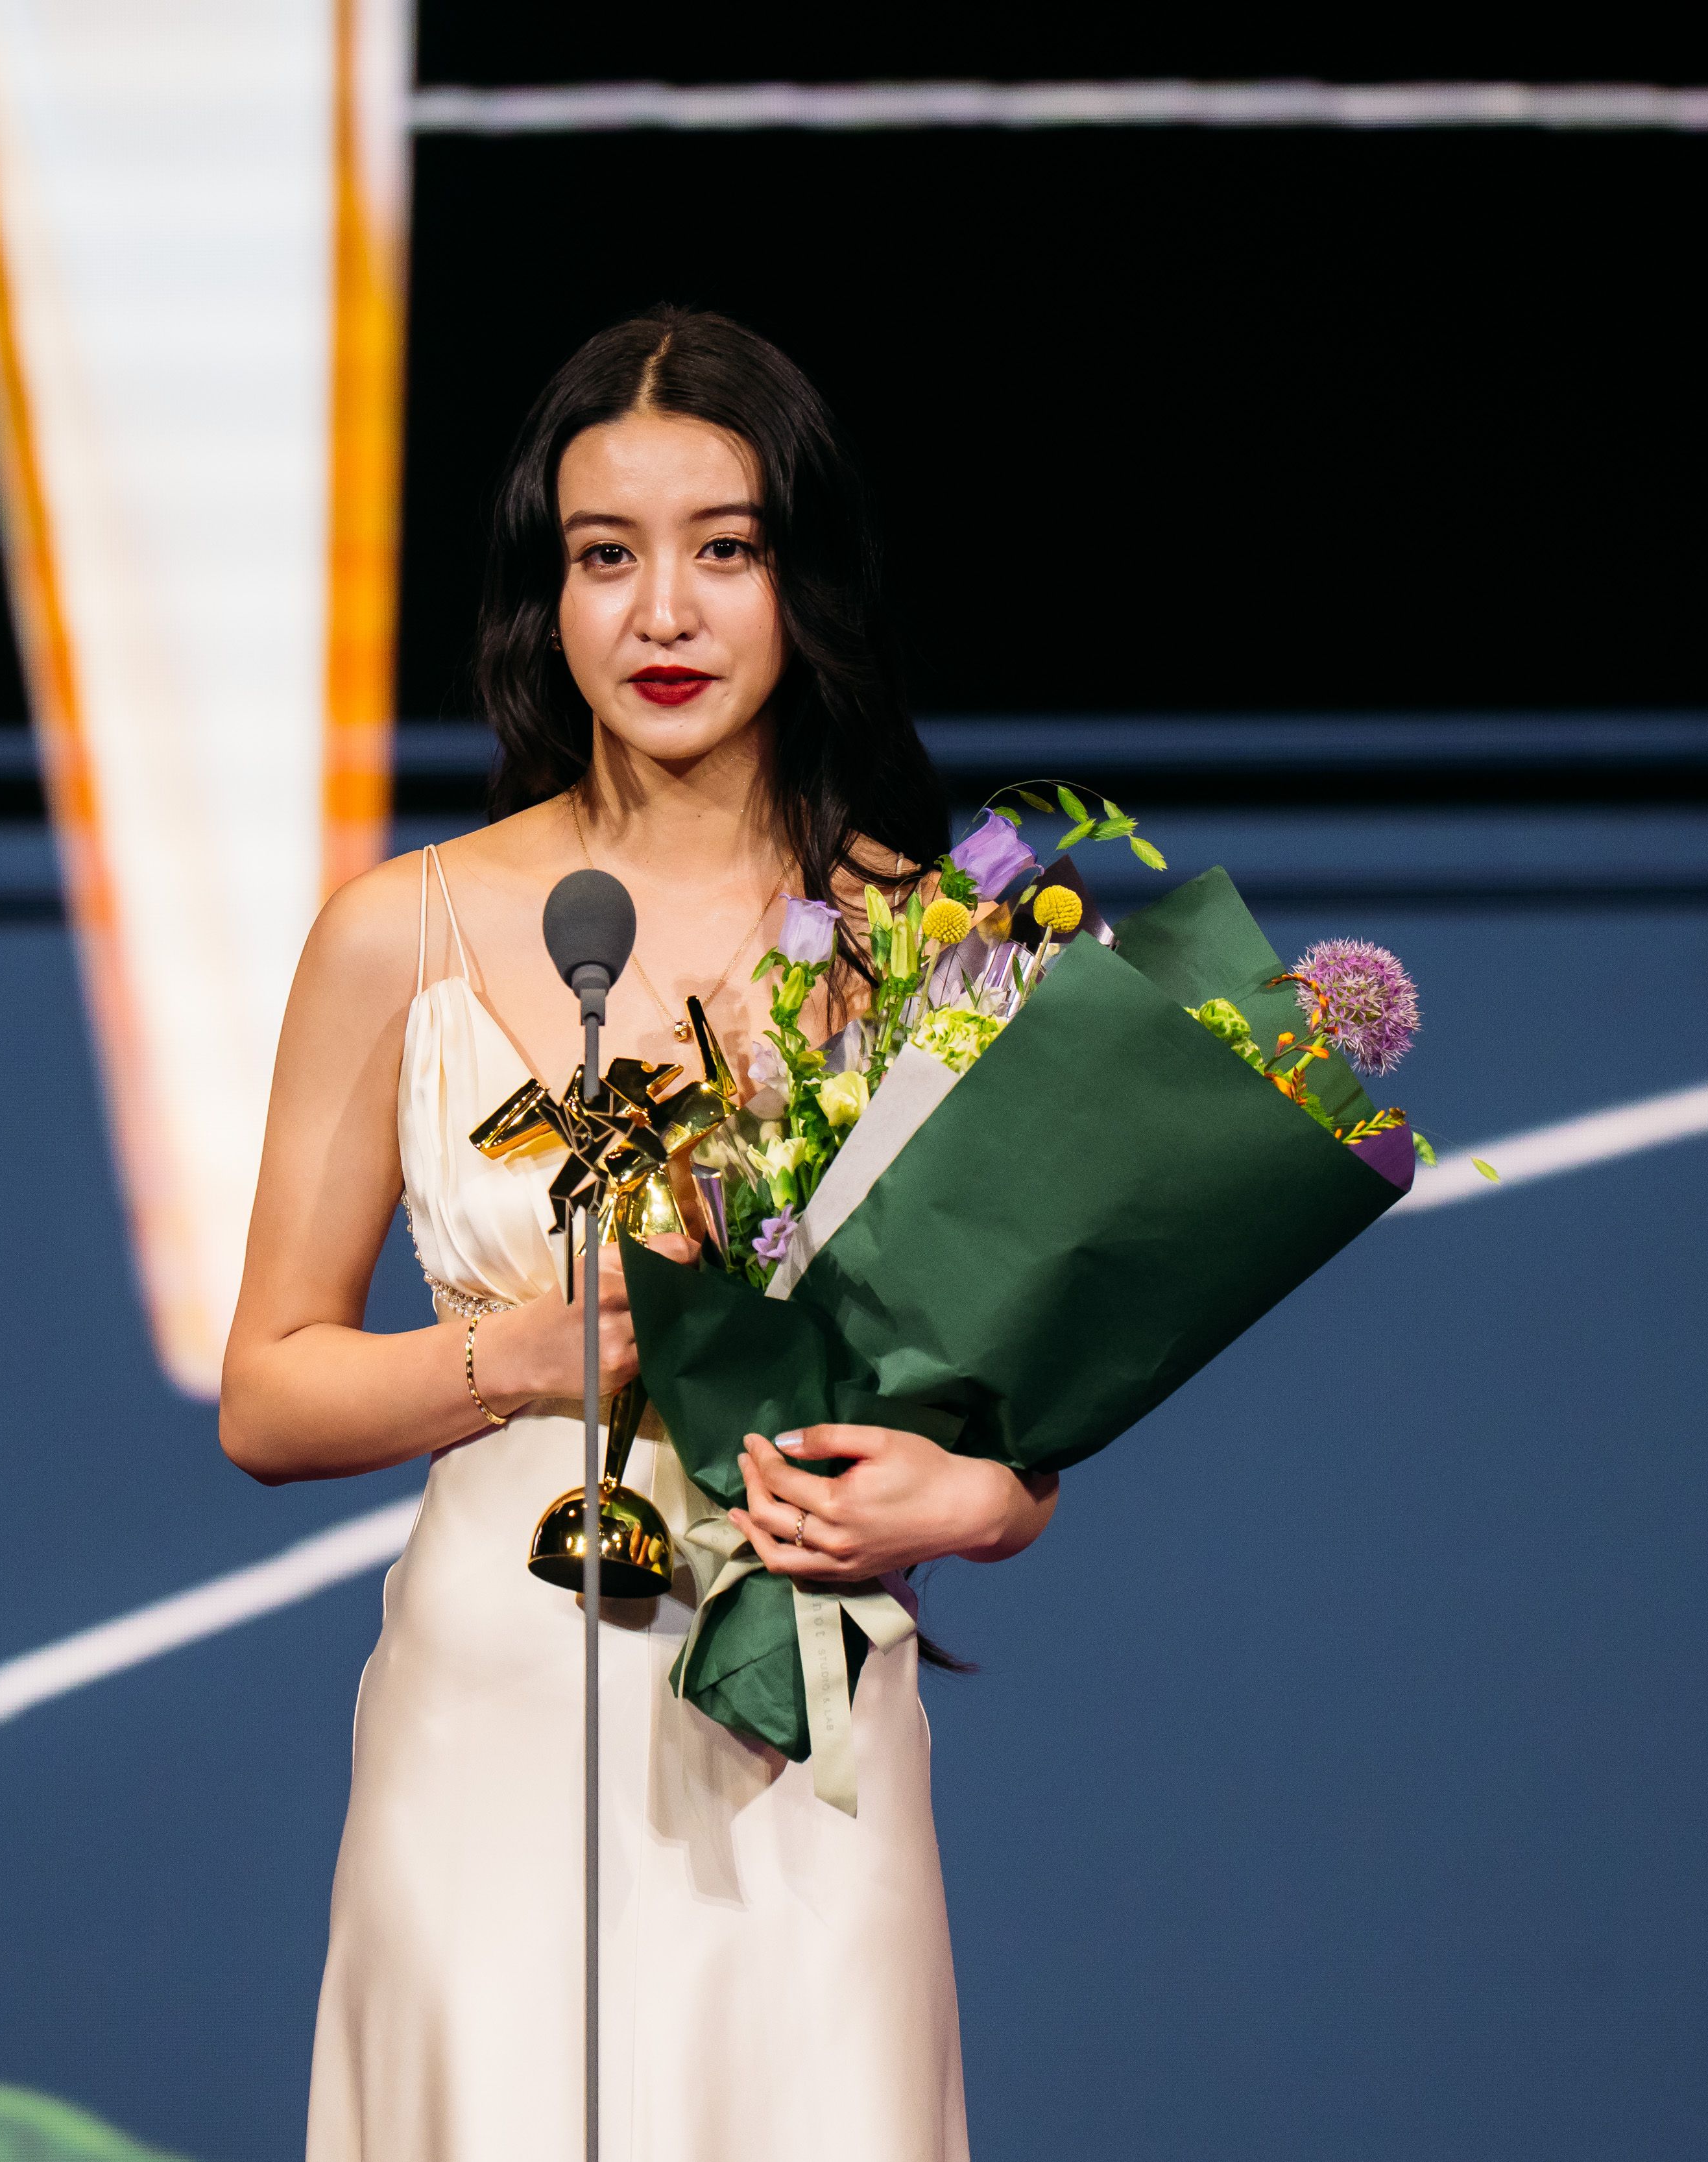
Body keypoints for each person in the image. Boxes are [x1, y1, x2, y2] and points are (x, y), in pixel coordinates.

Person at [219, 306, 1061, 2162]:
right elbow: (267, 1397)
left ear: (803, 581)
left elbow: (1013, 1441)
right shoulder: (402, 932)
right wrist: (517, 1354)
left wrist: (965, 1505)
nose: (663, 614)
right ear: (549, 598)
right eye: (607, 557)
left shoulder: (936, 952)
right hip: (493, 1723)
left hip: (801, 1729)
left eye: (724, 551)